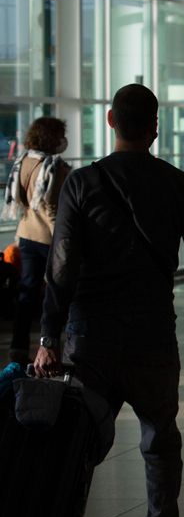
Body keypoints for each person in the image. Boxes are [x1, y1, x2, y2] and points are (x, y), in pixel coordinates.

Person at [33, 84, 184, 517]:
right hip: (152, 334)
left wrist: (48, 339)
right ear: (155, 127)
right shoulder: (177, 183)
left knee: (79, 445)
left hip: (88, 337)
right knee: (160, 438)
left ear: (111, 120)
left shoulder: (82, 183)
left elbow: (61, 268)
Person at [5, 116, 72, 363]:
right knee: (58, 292)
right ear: (52, 138)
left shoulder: (22, 162)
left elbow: (22, 202)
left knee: (27, 293)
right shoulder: (55, 167)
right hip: (49, 238)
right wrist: (64, 239)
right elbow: (55, 209)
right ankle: (55, 346)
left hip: (26, 235)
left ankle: (18, 348)